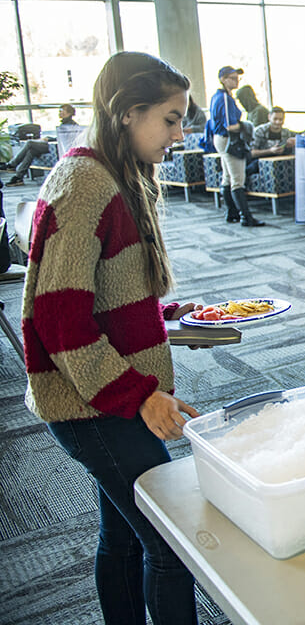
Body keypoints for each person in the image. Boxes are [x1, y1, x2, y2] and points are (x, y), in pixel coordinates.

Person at [23, 51, 200, 624]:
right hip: (92, 406)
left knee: (124, 538)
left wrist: (166, 317)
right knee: (170, 542)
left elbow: (99, 296)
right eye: (170, 119)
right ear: (128, 112)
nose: (179, 133)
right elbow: (59, 320)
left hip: (106, 399)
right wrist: (141, 396)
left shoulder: (112, 175)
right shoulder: (85, 185)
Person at [204, 66, 264, 227]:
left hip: (222, 139)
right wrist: (246, 126)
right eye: (232, 77)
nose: (236, 80)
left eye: (237, 77)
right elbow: (230, 125)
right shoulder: (225, 98)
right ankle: (246, 217)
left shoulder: (218, 96)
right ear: (223, 79)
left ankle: (232, 213)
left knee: (228, 177)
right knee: (238, 179)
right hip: (229, 139)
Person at [5, 103, 78, 186]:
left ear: (68, 113)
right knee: (31, 151)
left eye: (62, 110)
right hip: (54, 145)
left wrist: (49, 139)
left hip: (58, 147)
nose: (59, 112)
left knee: (30, 143)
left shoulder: (71, 125)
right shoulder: (65, 123)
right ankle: (19, 177)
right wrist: (48, 138)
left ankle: (12, 164)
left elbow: (64, 139)